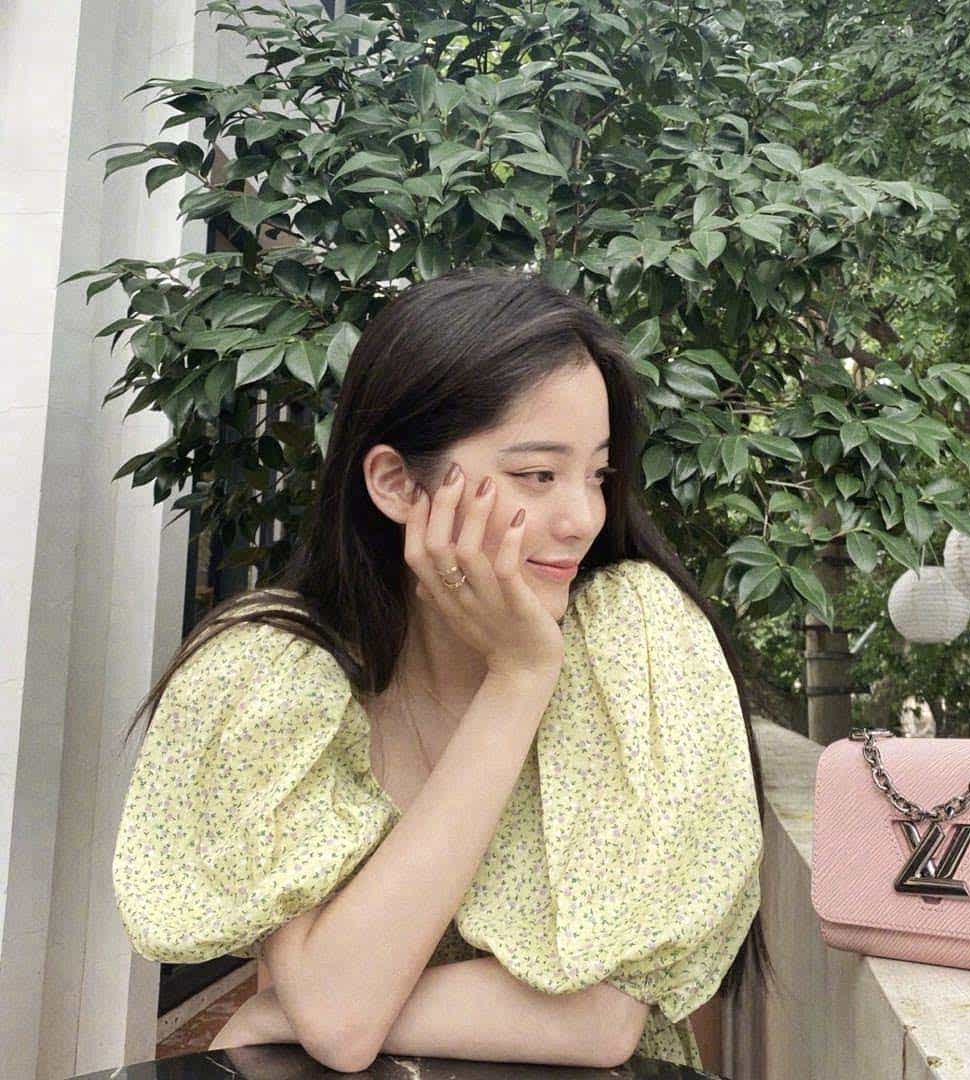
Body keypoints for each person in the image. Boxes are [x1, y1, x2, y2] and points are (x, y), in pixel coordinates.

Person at [112, 266, 772, 1074]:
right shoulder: (272, 676)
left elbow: (599, 1022)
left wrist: (286, 1011)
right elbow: (341, 1020)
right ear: (396, 484)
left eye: (597, 475)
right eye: (538, 475)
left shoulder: (631, 640)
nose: (582, 518)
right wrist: (515, 682)